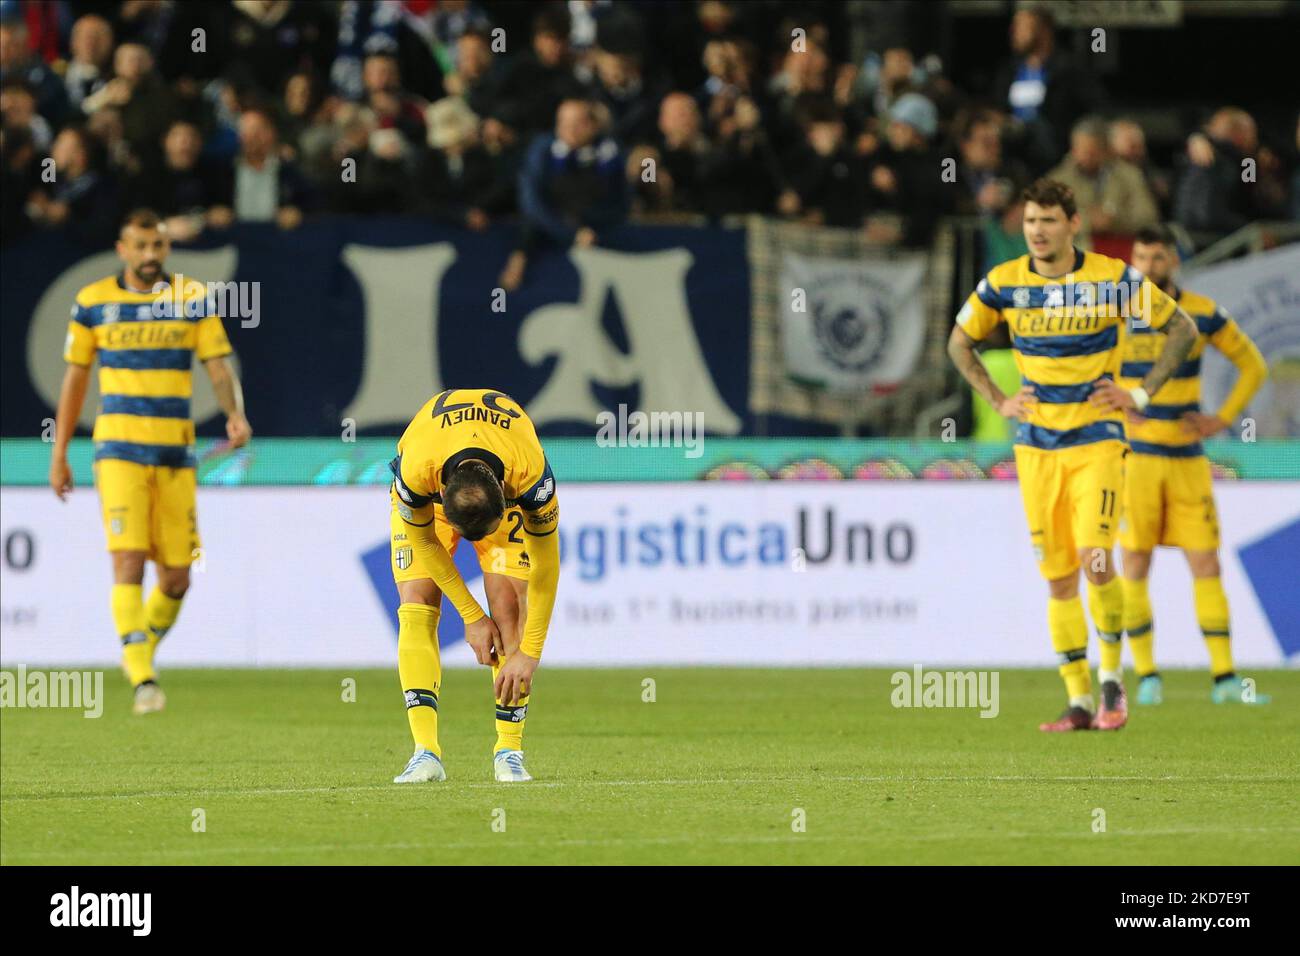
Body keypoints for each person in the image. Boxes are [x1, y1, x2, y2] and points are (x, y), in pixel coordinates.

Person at [947, 179, 1198, 732]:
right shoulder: (1004, 282)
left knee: (1098, 560)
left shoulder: (1110, 278)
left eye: (1049, 221)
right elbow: (958, 342)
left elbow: (1181, 328)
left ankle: (1113, 682)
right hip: (1036, 447)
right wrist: (998, 398)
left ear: (1073, 224)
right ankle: (1079, 701)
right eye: (1031, 221)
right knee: (1059, 580)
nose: (1037, 231)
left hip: (1097, 439)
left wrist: (1139, 393)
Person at [47, 208, 252, 715]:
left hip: (176, 455)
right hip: (117, 450)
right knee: (128, 561)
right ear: (122, 248)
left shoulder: (190, 298)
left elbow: (218, 366)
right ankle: (143, 679)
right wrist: (60, 452)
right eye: (139, 246)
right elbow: (75, 380)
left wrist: (234, 416)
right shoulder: (94, 303)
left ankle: (136, 649)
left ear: (166, 249)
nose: (148, 255)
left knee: (177, 578)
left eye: (157, 246)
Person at [1116, 226, 1270, 706]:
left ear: (1174, 260)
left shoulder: (1202, 313)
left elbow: (1254, 365)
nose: (1147, 266)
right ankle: (1146, 677)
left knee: (1205, 563)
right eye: (1140, 256)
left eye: (1156, 257)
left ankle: (1224, 679)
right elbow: (1088, 368)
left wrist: (1223, 418)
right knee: (1134, 563)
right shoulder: (1116, 312)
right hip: (1136, 460)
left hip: (1186, 460)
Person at [388, 389, 560, 784]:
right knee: (416, 602)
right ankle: (425, 753)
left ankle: (509, 751)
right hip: (431, 500)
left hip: (501, 485)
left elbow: (546, 567)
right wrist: (470, 616)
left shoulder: (529, 474)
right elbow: (426, 542)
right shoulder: (417, 470)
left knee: (509, 605)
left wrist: (530, 654)